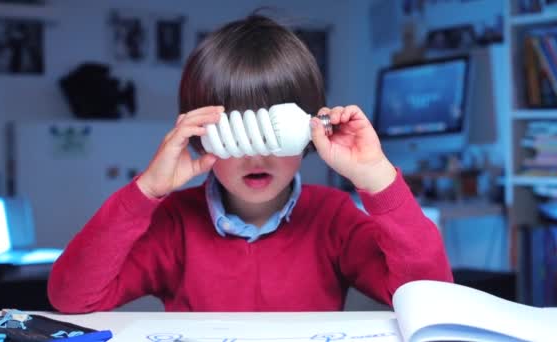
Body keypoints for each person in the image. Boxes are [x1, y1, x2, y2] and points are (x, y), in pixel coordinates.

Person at [48, 14, 452, 313]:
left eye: (272, 134)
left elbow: (432, 300)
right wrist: (145, 192)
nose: (256, 154)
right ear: (199, 135)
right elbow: (72, 297)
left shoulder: (332, 218)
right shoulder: (175, 226)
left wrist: (378, 178)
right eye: (238, 133)